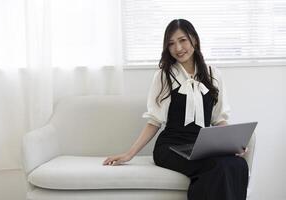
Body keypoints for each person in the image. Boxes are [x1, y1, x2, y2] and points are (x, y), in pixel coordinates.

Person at [103, 19, 248, 200]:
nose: (178, 48)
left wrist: (232, 144)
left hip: (200, 147)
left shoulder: (214, 74)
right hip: (170, 147)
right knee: (216, 167)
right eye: (171, 44)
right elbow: (154, 121)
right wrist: (129, 154)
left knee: (237, 164)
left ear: (194, 39)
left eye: (182, 40)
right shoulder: (164, 75)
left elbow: (219, 118)